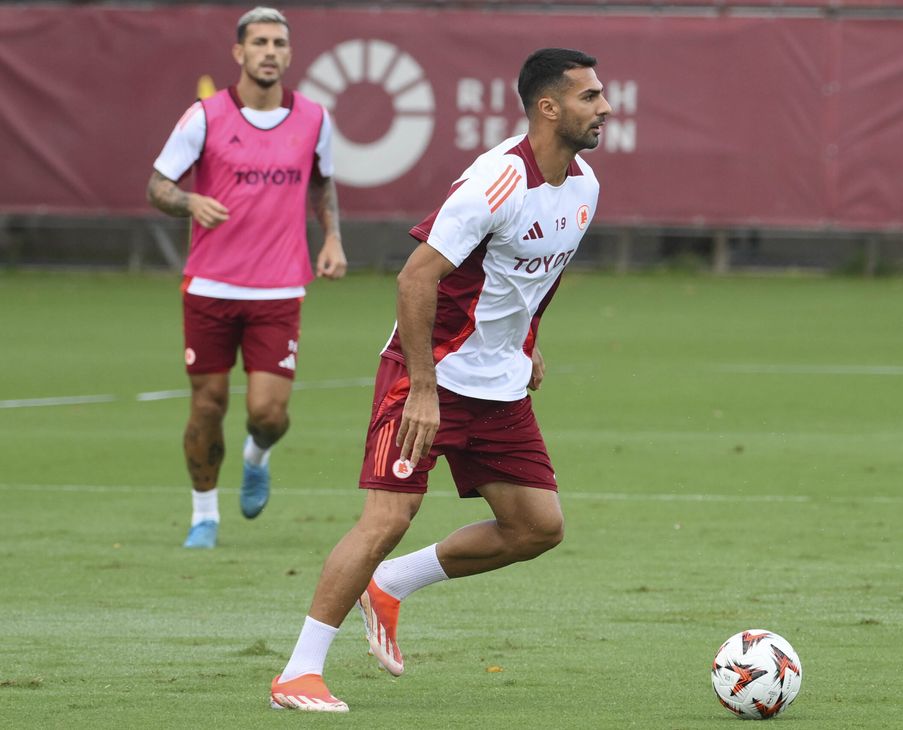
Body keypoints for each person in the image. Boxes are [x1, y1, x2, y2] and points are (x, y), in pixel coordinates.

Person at [268, 47, 612, 713]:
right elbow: (415, 277)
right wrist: (422, 388)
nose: (605, 108)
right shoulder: (494, 183)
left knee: (537, 526)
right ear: (549, 107)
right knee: (387, 518)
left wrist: (526, 343)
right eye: (589, 97)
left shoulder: (585, 187)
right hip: (426, 378)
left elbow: (534, 279)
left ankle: (391, 585)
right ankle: (298, 673)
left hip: (500, 386)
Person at [147, 6, 346, 550]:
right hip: (210, 287)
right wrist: (189, 201)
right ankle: (204, 515)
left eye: (279, 43)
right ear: (239, 52)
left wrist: (331, 238)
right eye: (259, 42)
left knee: (269, 413)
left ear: (289, 53)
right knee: (208, 404)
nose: (269, 52)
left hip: (280, 288)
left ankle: (257, 456)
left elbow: (322, 185)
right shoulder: (205, 117)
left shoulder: (313, 118)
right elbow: (159, 185)